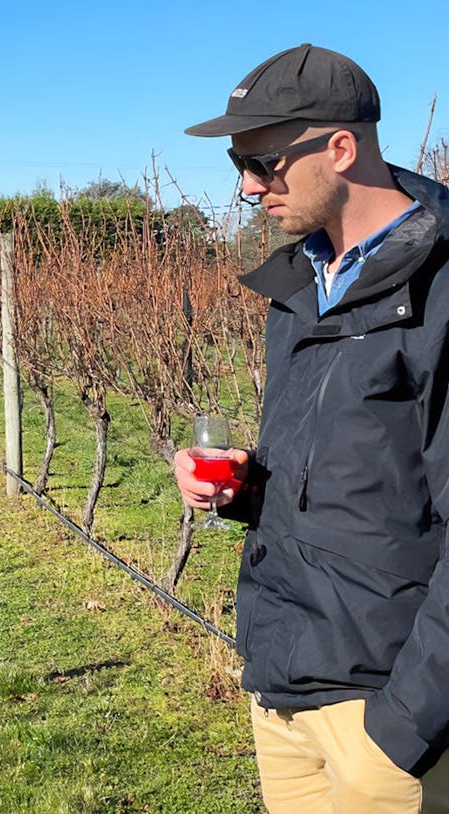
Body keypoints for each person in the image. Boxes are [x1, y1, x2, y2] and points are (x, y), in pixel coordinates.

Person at [174, 43, 449, 812]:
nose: (246, 187)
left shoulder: (439, 290)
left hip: (384, 711)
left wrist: (402, 731)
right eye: (239, 164)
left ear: (340, 147)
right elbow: (356, 474)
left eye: (263, 162)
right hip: (283, 687)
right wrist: (240, 484)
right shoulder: (304, 286)